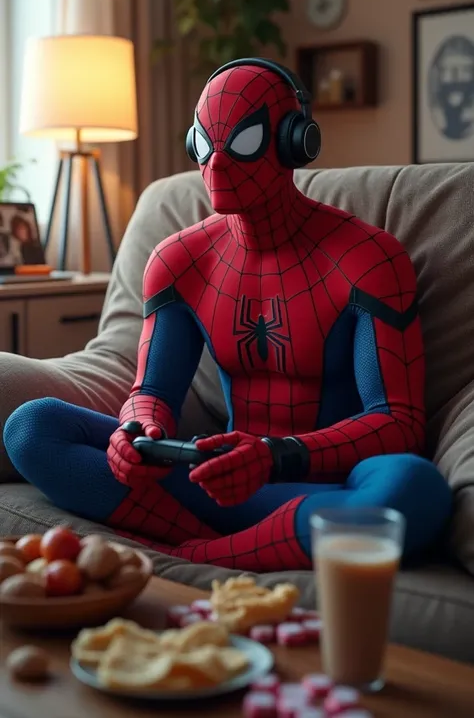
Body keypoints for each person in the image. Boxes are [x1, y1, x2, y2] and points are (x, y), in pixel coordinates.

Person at [3, 59, 452, 572]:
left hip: (327, 488)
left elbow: (398, 423)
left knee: (415, 490)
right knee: (30, 427)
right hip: (209, 479)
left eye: (242, 142)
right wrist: (137, 431)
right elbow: (150, 394)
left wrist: (273, 455)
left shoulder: (369, 259)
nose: (215, 164)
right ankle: (230, 549)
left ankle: (191, 556)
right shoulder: (178, 259)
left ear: (294, 142)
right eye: (203, 143)